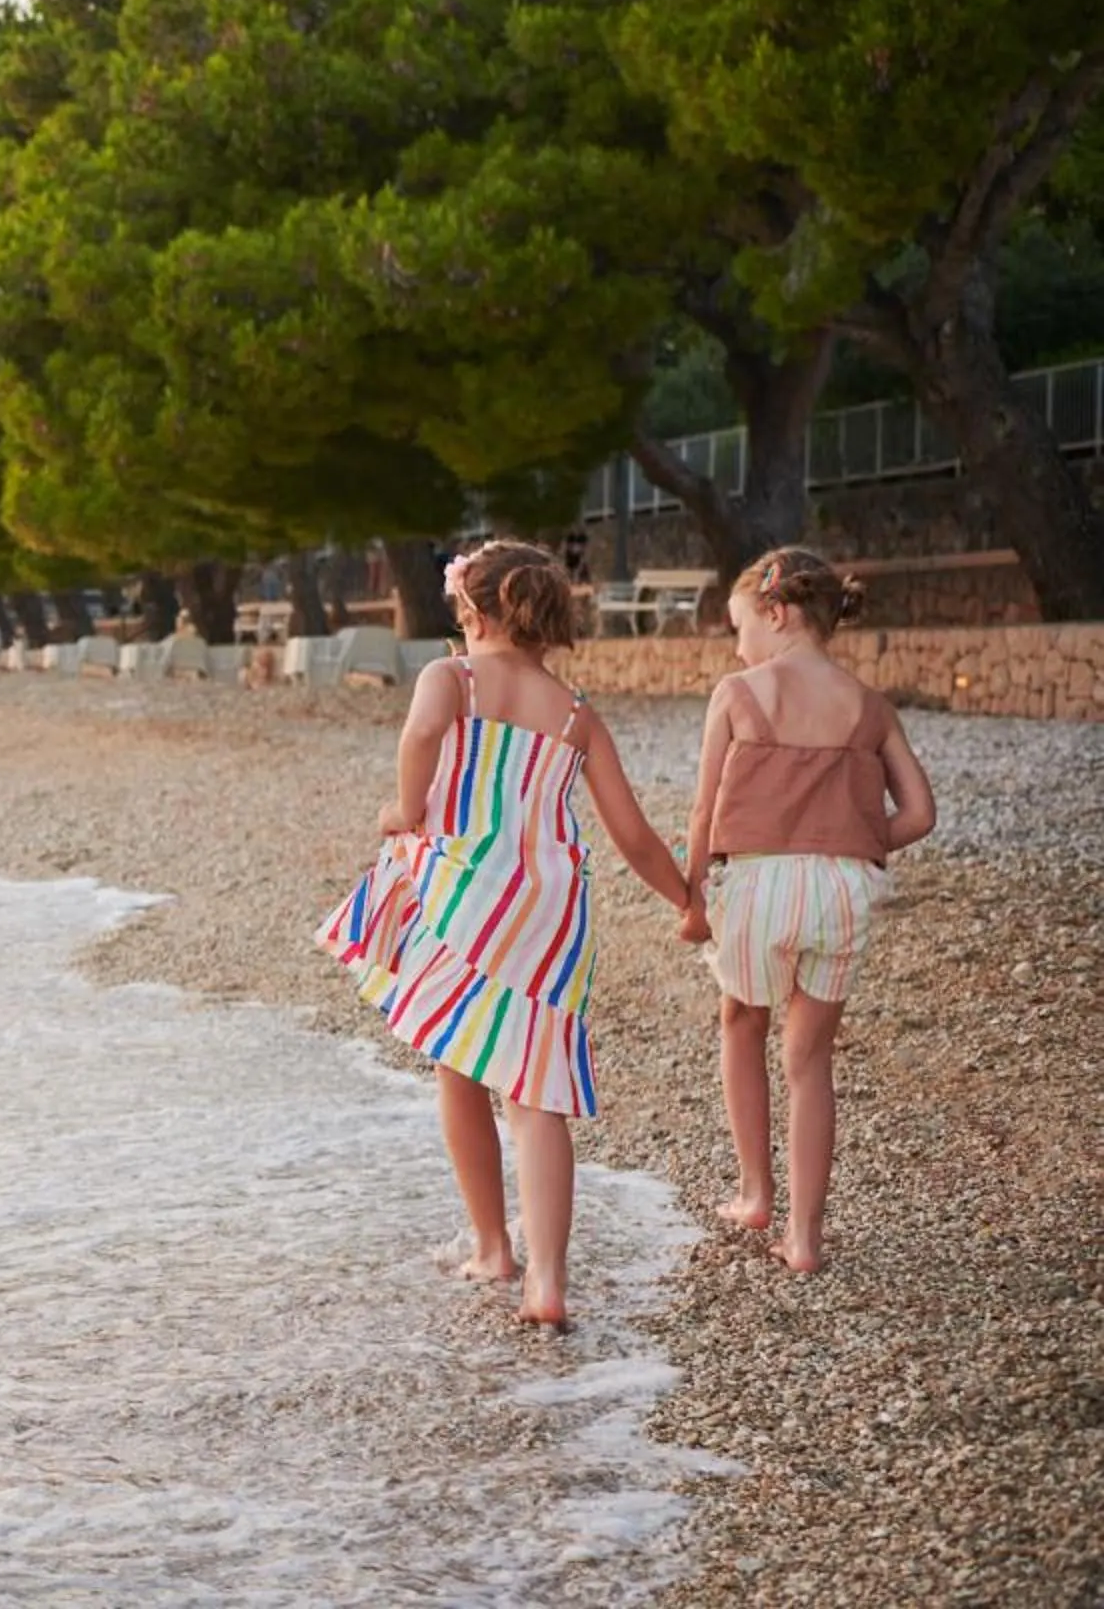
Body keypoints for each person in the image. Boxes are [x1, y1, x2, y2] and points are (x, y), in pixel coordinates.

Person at [320, 539, 692, 1327]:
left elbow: (421, 735)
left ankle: (494, 1246)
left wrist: (406, 808)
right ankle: (547, 1284)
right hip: (552, 913)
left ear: (475, 612)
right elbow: (631, 836)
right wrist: (686, 899)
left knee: (458, 1064)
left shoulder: (450, 678)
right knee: (535, 1091)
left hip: (469, 896)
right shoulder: (577, 715)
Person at [677, 547, 936, 1274]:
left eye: (739, 627)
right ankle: (805, 1238)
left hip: (759, 885)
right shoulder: (868, 704)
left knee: (742, 1020)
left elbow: (702, 813)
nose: (737, 646)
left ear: (776, 612)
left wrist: (695, 902)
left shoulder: (738, 692)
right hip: (842, 890)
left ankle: (756, 1192)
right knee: (810, 1058)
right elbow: (920, 813)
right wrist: (850, 839)